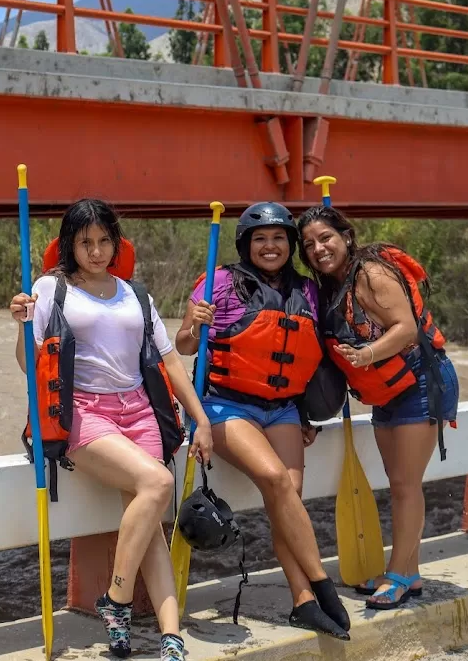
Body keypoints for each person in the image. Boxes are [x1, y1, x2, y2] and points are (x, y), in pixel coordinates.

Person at [8, 198, 213, 661]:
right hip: (85, 413)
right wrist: (21, 325)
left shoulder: (135, 295)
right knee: (158, 483)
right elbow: (29, 365)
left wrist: (201, 419)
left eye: (105, 241)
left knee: (152, 526)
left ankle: (171, 636)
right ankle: (117, 599)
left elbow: (169, 362)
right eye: (86, 243)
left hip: (140, 411)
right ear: (70, 245)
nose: (97, 251)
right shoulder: (51, 289)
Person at [176, 202, 351, 640]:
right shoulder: (218, 282)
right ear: (246, 245)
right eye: (260, 239)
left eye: (278, 238)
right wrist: (194, 325)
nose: (269, 246)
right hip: (226, 405)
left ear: (290, 245)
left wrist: (309, 414)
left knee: (289, 497)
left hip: (284, 408)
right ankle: (322, 585)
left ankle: (303, 603)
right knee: (275, 479)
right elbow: (182, 346)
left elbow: (311, 356)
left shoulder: (307, 290)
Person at [297, 205, 460, 611]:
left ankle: (398, 574)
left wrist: (366, 354)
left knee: (405, 485)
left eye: (325, 238)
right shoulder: (329, 287)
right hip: (386, 390)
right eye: (309, 244)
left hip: (420, 382)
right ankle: (410, 572)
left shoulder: (371, 273)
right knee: (398, 482)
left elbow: (406, 328)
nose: (318, 249)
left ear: (346, 237)